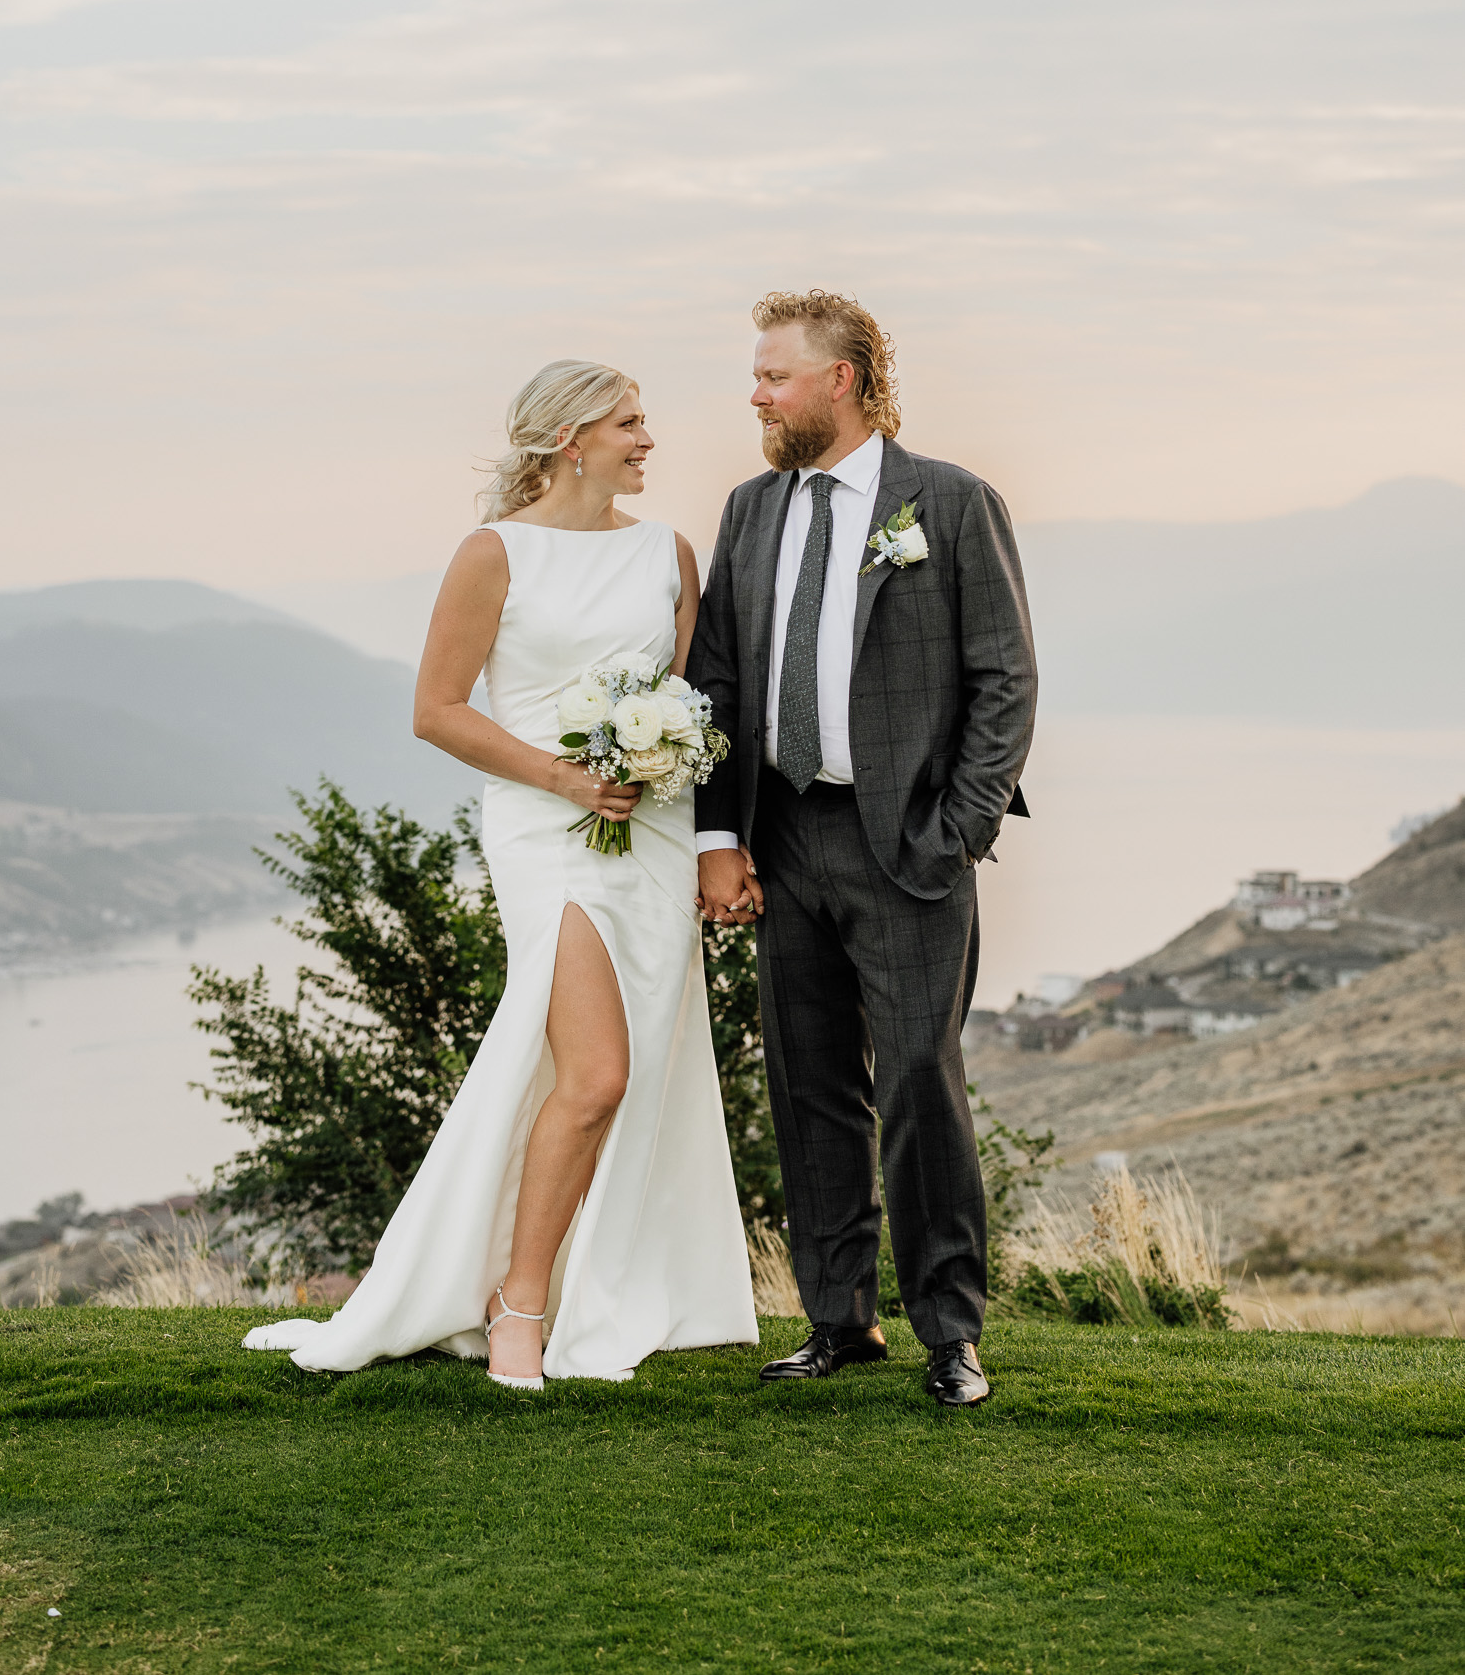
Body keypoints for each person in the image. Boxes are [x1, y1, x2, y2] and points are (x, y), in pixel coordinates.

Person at [244, 360, 755, 1387]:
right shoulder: (492, 554)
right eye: (628, 422)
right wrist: (563, 778)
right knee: (596, 1072)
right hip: (543, 831)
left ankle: (563, 1284)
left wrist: (702, 826)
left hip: (648, 833)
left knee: (627, 1070)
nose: (648, 439)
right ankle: (516, 1304)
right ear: (569, 439)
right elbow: (437, 710)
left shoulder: (669, 553)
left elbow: (699, 704)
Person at [687, 292, 1036, 1408]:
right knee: (807, 1085)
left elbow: (1003, 682)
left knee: (922, 1081)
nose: (754, 393)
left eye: (771, 374)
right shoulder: (748, 511)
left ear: (839, 380)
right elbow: (718, 685)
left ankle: (950, 1331)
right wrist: (716, 837)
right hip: (781, 840)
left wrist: (957, 829)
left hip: (906, 847)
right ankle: (837, 1318)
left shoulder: (949, 500)